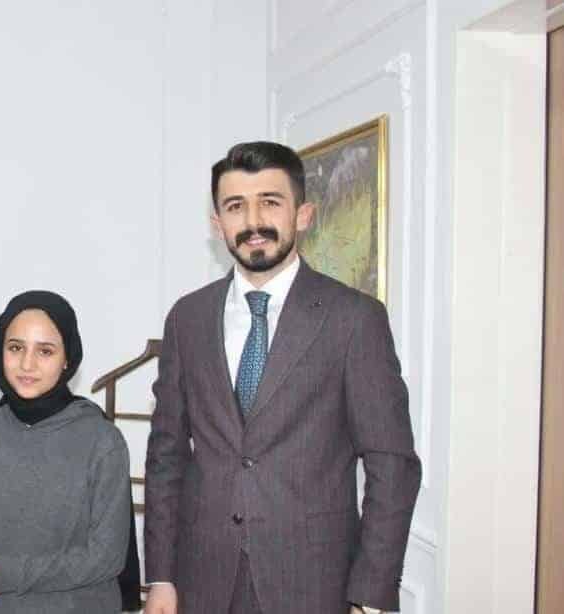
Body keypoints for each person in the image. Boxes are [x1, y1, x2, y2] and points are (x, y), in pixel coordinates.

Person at [143, 142, 421, 614]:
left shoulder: (354, 319)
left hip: (314, 583)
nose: (253, 221)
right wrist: (162, 577)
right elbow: (166, 456)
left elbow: (392, 465)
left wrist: (370, 595)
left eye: (270, 202)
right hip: (203, 579)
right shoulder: (187, 319)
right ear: (217, 224)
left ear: (303, 214)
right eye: (236, 206)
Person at [0, 290, 133, 613]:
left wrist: (11, 573)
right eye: (15, 347)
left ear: (67, 359)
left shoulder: (103, 442)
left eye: (45, 351)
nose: (27, 364)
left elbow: (106, 557)